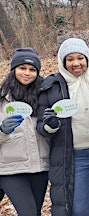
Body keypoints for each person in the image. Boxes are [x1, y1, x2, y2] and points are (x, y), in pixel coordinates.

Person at [37, 38, 89, 216]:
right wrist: (50, 125)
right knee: (79, 209)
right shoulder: (52, 86)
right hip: (74, 156)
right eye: (70, 59)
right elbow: (41, 127)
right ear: (63, 61)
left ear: (88, 59)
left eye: (80, 58)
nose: (76, 63)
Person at [0, 48, 49, 216]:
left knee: (35, 212)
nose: (27, 73)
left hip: (40, 167)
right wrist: (2, 131)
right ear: (14, 69)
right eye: (22, 68)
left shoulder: (44, 96)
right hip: (10, 169)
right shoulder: (2, 99)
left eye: (32, 69)